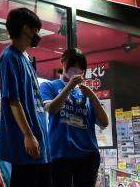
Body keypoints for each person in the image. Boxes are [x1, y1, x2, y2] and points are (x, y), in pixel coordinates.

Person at [0, 7, 52, 187]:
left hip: (38, 139)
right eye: (35, 28)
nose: (37, 33)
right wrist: (28, 134)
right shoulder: (9, 57)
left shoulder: (26, 59)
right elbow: (13, 100)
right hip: (26, 143)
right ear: (25, 28)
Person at [40, 48, 109, 187]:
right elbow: (51, 109)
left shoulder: (85, 92)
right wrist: (69, 86)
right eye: (73, 66)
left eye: (80, 68)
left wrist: (93, 96)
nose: (76, 70)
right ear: (63, 62)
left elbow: (104, 122)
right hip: (60, 154)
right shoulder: (48, 86)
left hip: (87, 156)